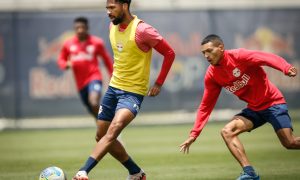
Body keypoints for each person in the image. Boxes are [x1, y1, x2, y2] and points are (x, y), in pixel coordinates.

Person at [72, 0, 175, 179]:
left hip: (133, 93)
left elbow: (169, 53)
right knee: (101, 136)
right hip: (113, 89)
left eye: (112, 8)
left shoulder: (143, 30)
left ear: (125, 6)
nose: (108, 12)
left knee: (114, 130)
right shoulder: (112, 26)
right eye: (107, 8)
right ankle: (136, 172)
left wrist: (158, 83)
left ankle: (83, 171)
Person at [180, 34, 299, 180]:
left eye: (209, 51)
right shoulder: (212, 75)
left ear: (221, 48)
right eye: (203, 53)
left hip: (273, 103)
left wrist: (286, 68)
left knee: (290, 143)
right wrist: (194, 133)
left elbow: (266, 57)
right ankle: (250, 174)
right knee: (227, 131)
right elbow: (205, 106)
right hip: (254, 109)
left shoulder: (239, 56)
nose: (206, 55)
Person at [58, 17, 113, 119]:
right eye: (77, 28)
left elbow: (107, 60)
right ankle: (105, 125)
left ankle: (107, 127)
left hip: (94, 77)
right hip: (80, 84)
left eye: (82, 27)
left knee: (94, 101)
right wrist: (66, 65)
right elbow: (61, 59)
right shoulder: (68, 44)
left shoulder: (96, 42)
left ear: (87, 28)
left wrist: (112, 75)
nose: (80, 30)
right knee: (92, 109)